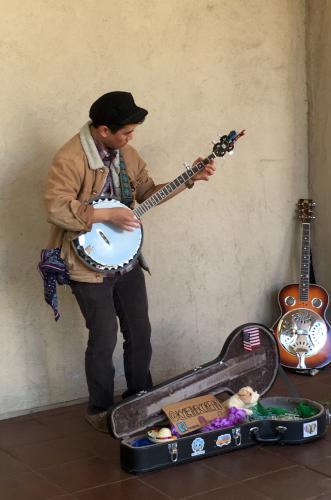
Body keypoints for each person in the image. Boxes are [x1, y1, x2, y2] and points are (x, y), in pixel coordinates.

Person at [42, 91, 216, 432]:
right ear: (103, 130)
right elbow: (55, 206)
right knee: (104, 336)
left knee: (140, 331)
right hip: (85, 265)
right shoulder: (70, 158)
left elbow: (148, 192)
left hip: (127, 260)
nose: (130, 138)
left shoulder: (127, 155)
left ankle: (141, 397)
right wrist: (104, 215)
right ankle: (100, 408)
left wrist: (189, 179)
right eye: (126, 132)